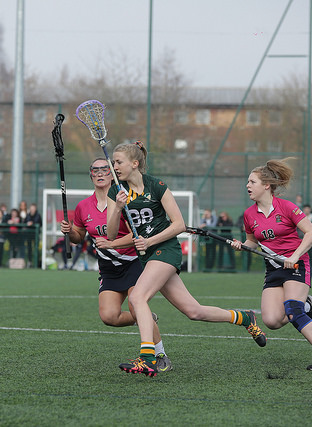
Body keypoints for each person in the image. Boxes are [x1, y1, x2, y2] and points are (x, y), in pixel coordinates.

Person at [107, 141, 266, 377]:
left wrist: (149, 241)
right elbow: (111, 235)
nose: (115, 166)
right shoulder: (116, 192)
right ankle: (243, 317)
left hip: (165, 250)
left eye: (119, 162)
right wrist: (118, 208)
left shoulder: (156, 186)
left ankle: (148, 358)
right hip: (147, 256)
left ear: (135, 163)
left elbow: (179, 224)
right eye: (114, 162)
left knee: (137, 297)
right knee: (194, 311)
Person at [61, 158, 172, 371]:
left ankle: (160, 355)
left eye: (105, 169)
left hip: (134, 262)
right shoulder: (83, 206)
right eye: (95, 170)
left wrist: (111, 243)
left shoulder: (125, 200)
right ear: (90, 175)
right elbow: (78, 237)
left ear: (112, 174)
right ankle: (146, 317)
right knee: (109, 316)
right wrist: (69, 231)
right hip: (108, 268)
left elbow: (137, 235)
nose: (100, 173)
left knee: (135, 304)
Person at [230, 158, 312, 371]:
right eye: (248, 182)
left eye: (252, 182)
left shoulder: (287, 207)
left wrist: (295, 256)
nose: (247, 185)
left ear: (266, 185)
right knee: (271, 321)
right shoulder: (249, 214)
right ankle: (307, 306)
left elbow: (311, 233)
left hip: (296, 265)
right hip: (273, 269)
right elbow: (252, 241)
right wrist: (241, 246)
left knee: (292, 310)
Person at [25, 203, 42, 267]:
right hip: (29, 234)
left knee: (36, 248)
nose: (32, 210)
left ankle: (37, 262)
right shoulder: (28, 215)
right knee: (29, 249)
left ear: (35, 209)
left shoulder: (38, 215)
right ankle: (29, 262)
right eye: (31, 208)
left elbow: (40, 223)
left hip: (35, 235)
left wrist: (33, 223)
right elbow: (25, 222)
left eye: (33, 208)